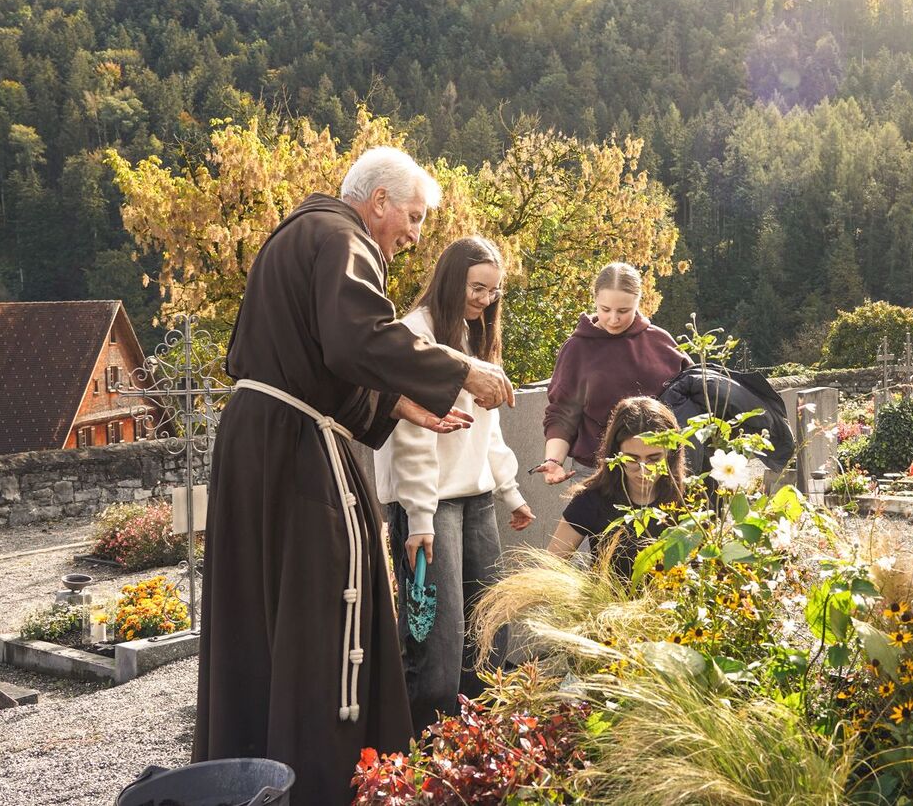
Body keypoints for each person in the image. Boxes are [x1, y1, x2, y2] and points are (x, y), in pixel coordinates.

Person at [194, 147, 514, 804]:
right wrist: (461, 370)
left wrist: (400, 403)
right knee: (327, 610)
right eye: (414, 217)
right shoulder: (344, 239)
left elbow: (319, 356)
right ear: (380, 201)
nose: (415, 236)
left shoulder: (297, 235)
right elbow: (356, 339)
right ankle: (324, 782)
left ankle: (255, 774)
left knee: (263, 622)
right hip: (298, 449)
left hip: (260, 441)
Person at [374, 236, 535, 736]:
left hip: (477, 500)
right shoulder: (415, 334)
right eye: (476, 288)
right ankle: (421, 750)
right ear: (450, 280)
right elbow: (410, 437)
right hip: (429, 505)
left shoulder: (474, 334)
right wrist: (419, 519)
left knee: (489, 631)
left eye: (494, 290)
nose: (486, 299)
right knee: (436, 646)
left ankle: (476, 749)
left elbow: (489, 428)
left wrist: (510, 490)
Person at [535, 262, 688, 485]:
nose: (613, 319)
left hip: (658, 472)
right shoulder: (578, 348)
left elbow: (691, 396)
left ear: (638, 301)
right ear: (595, 300)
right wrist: (553, 460)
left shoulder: (661, 342)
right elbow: (563, 413)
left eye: (623, 311)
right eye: (605, 309)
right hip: (595, 472)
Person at [547, 397, 685, 578]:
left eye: (654, 458)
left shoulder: (690, 499)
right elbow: (548, 568)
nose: (644, 470)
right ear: (615, 454)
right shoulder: (591, 500)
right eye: (632, 459)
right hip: (605, 595)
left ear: (671, 454)